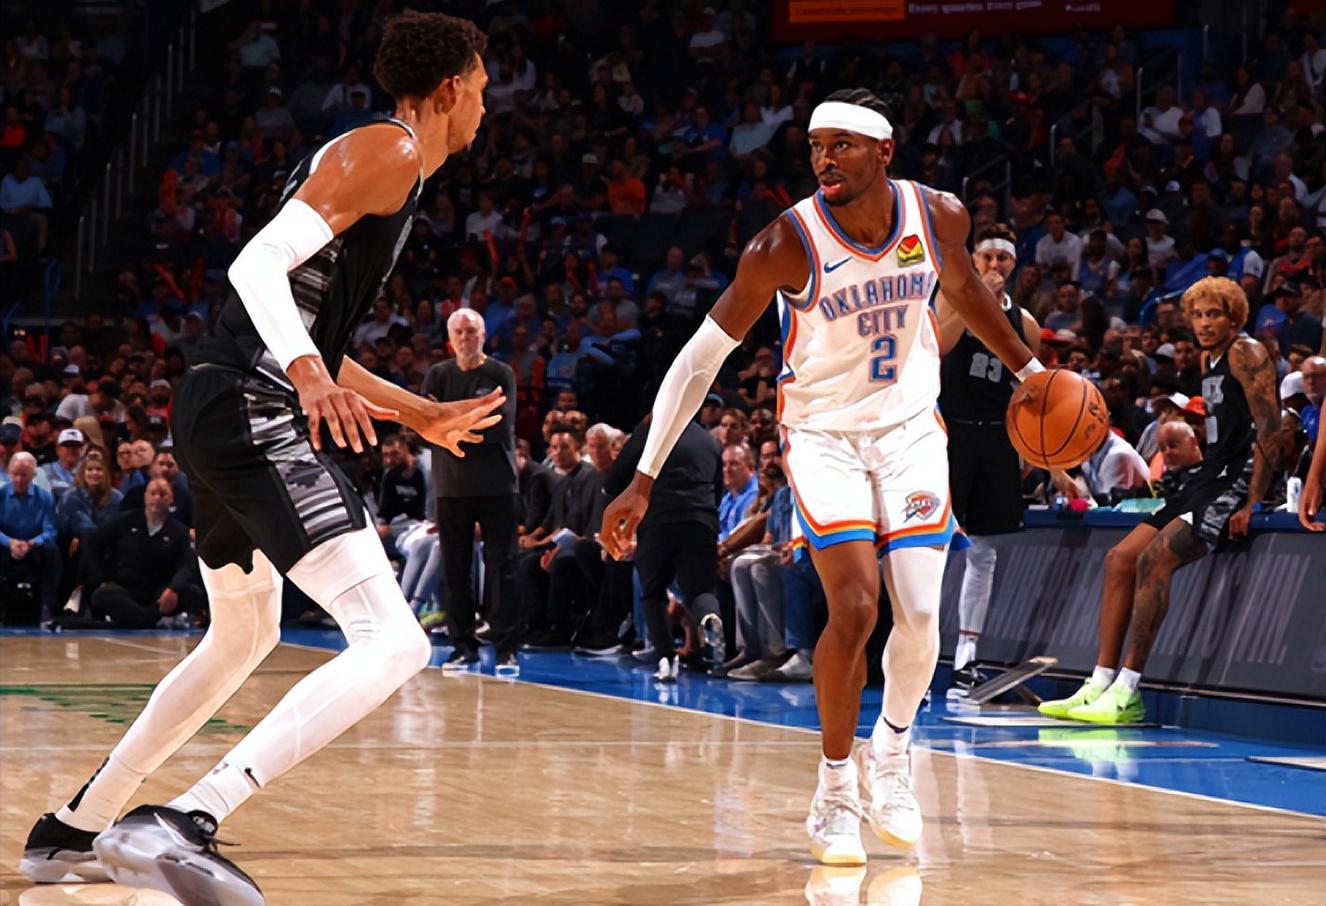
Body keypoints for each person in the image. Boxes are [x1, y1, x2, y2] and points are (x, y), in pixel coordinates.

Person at [21, 14, 504, 902]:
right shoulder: (390, 150)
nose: (485, 103)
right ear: (449, 89)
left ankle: (76, 826)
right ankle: (187, 817)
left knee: (244, 635)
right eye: (480, 86)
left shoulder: (378, 166)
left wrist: (418, 412)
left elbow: (314, 332)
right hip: (250, 403)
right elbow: (254, 267)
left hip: (218, 404)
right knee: (396, 641)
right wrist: (307, 373)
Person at [600, 89, 1040, 866]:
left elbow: (967, 293)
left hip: (910, 431)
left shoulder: (937, 215)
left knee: (921, 615)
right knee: (857, 607)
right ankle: (835, 786)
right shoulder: (786, 243)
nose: (824, 160)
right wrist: (643, 475)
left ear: (884, 151)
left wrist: (1031, 372)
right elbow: (699, 360)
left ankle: (890, 755)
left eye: (841, 145)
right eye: (815, 147)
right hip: (824, 436)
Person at [1040, 277, 1286, 725]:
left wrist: (1252, 499)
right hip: (1205, 477)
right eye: (1198, 315)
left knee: (1155, 559)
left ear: (1234, 317)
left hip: (1234, 481)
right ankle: (1099, 682)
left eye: (1215, 314)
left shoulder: (1246, 352)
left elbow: (1272, 428)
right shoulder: (1209, 359)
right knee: (1119, 559)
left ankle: (1128, 691)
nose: (1205, 323)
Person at [935, 223, 1040, 696]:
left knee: (983, 552)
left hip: (997, 438)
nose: (995, 266)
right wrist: (976, 301)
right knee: (932, 550)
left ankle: (966, 659)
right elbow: (939, 347)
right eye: (987, 258)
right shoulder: (948, 299)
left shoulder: (1027, 324)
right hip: (949, 433)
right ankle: (915, 652)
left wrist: (1046, 458)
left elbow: (1030, 391)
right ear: (973, 262)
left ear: (1013, 264)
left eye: (1003, 259)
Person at [422, 308, 518, 671]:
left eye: (472, 331)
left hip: (497, 484)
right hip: (451, 486)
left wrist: (448, 423)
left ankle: (507, 645)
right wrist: (467, 419)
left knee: (503, 566)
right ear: (450, 339)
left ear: (484, 335)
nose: (466, 338)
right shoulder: (437, 374)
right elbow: (425, 424)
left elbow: (500, 424)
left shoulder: (500, 374)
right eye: (459, 332)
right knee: (455, 569)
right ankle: (463, 646)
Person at [85, 478, 201, 628]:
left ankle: (137, 619)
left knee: (192, 593)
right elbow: (93, 541)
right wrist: (105, 576)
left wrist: (173, 588)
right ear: (145, 496)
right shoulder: (125, 521)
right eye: (153, 493)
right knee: (101, 596)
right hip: (126, 589)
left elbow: (186, 563)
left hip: (160, 592)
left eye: (163, 494)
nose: (157, 498)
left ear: (171, 499)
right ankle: (151, 619)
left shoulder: (179, 531)